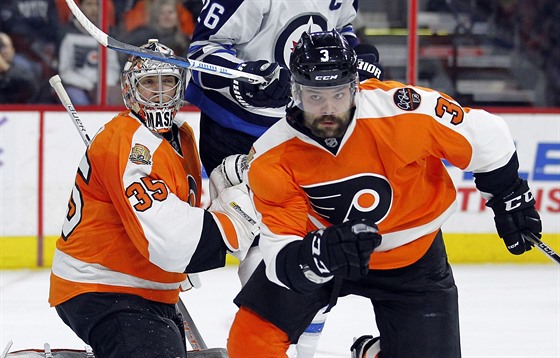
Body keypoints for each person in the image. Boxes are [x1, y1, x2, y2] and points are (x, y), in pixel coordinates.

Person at [226, 30, 542, 358]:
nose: (328, 109)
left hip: (412, 257)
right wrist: (320, 253)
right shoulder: (271, 156)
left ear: (354, 87)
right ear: (296, 93)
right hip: (324, 249)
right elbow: (280, 256)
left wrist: (509, 197)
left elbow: (488, 136)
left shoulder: (402, 111)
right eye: (315, 96)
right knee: (250, 343)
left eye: (338, 94)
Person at [48, 40, 259, 358]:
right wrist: (244, 203)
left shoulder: (180, 135)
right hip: (102, 288)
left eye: (168, 82)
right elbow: (174, 242)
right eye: (149, 83)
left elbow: (173, 214)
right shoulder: (130, 146)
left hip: (146, 286)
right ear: (130, 88)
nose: (159, 92)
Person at [185, 0, 363, 175]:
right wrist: (243, 79)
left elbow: (341, 26)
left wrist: (354, 58)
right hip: (239, 133)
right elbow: (202, 54)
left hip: (312, 128)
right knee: (239, 204)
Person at [57, 0, 121, 105]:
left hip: (104, 87)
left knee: (115, 100)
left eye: (97, 4)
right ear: (79, 7)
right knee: (80, 102)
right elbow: (65, 70)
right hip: (75, 86)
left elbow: (113, 68)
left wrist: (102, 86)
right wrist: (88, 85)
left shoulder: (109, 34)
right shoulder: (67, 33)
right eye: (89, 4)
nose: (94, 9)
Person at [0, 32, 40, 103]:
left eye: (4, 46)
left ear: (13, 50)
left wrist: (6, 68)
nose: (2, 51)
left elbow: (31, 87)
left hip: (17, 110)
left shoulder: (22, 68)